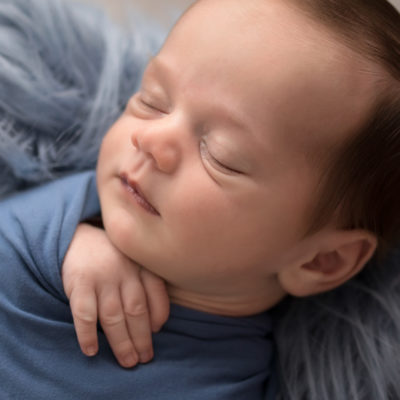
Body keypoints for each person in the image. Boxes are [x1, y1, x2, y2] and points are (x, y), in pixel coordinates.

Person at [1, 0, 400, 399]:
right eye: (152, 100)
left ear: (321, 260)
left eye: (221, 156)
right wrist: (64, 240)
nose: (151, 141)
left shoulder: (230, 384)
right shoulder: (59, 214)